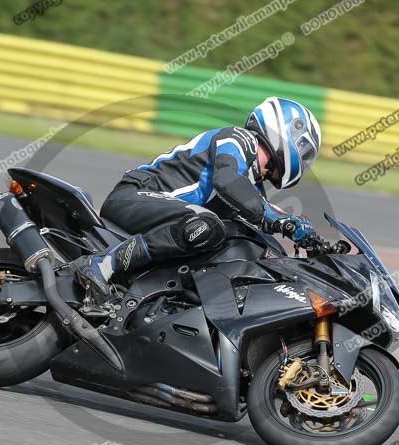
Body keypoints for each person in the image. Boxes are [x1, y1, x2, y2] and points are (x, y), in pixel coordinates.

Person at [71, 96, 322, 302]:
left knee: (239, 242)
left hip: (167, 218)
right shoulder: (238, 139)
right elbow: (228, 181)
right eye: (304, 149)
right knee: (208, 224)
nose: (304, 158)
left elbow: (258, 224)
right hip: (132, 197)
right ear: (285, 131)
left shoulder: (251, 185)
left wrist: (306, 249)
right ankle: (101, 264)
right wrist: (282, 220)